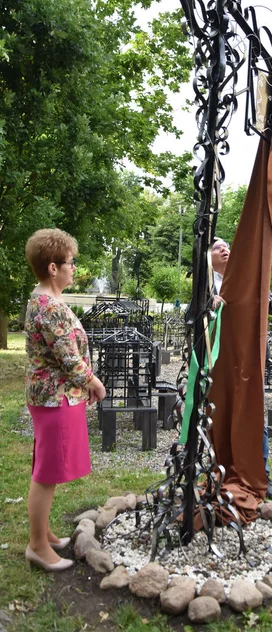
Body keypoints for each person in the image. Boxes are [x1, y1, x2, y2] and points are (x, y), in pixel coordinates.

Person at [24, 229, 106, 572]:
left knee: (48, 469)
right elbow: (69, 359)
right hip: (55, 398)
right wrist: (94, 383)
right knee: (46, 473)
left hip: (51, 396)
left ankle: (43, 534)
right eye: (71, 262)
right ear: (53, 267)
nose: (75, 267)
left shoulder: (41, 299)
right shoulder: (50, 306)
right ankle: (38, 546)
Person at [211, 238, 272, 499]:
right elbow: (190, 318)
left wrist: (264, 301)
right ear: (209, 256)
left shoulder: (248, 276)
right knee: (219, 414)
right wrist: (208, 304)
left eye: (228, 245)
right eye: (218, 247)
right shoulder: (204, 285)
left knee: (253, 413)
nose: (225, 249)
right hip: (218, 363)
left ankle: (263, 473)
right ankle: (220, 470)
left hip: (247, 358)